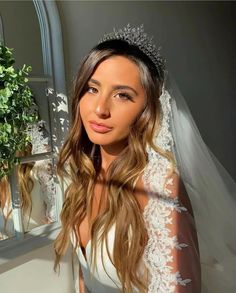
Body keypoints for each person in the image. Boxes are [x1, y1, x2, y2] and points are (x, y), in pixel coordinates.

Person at [54, 24, 236, 293]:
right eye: (92, 89)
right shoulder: (80, 172)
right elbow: (86, 276)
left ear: (147, 110)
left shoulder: (159, 187)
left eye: (122, 95)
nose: (100, 109)